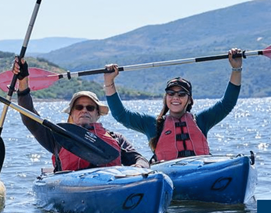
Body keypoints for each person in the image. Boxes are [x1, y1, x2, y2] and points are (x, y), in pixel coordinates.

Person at [104, 48, 244, 163]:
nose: (175, 97)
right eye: (171, 93)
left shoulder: (202, 120)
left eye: (181, 94)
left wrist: (236, 69)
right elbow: (120, 114)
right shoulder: (152, 124)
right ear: (166, 98)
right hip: (169, 174)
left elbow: (227, 103)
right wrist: (109, 82)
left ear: (189, 100)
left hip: (200, 171)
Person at [12, 58, 149, 172]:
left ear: (97, 114)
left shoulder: (116, 138)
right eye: (79, 107)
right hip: (74, 187)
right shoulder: (59, 138)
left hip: (110, 185)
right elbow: (30, 119)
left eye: (90, 107)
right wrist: (23, 81)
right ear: (71, 114)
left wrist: (138, 167)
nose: (84, 110)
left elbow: (139, 159)